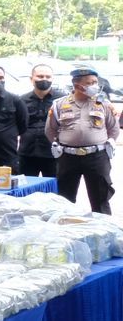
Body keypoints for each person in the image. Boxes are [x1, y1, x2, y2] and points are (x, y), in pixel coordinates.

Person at [47, 67, 119, 213]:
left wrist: (111, 141)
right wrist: (55, 143)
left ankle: (102, 226)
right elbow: (50, 129)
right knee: (64, 198)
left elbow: (113, 128)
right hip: (68, 157)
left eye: (96, 82)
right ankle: (65, 225)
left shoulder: (103, 104)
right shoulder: (59, 104)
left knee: (100, 199)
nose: (95, 86)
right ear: (78, 85)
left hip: (96, 157)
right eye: (90, 83)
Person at [19, 64, 63, 179]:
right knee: (26, 186)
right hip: (27, 153)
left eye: (48, 77)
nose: (44, 79)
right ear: (31, 79)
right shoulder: (21, 100)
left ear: (52, 78)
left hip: (54, 153)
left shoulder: (62, 100)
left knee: (55, 187)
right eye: (40, 76)